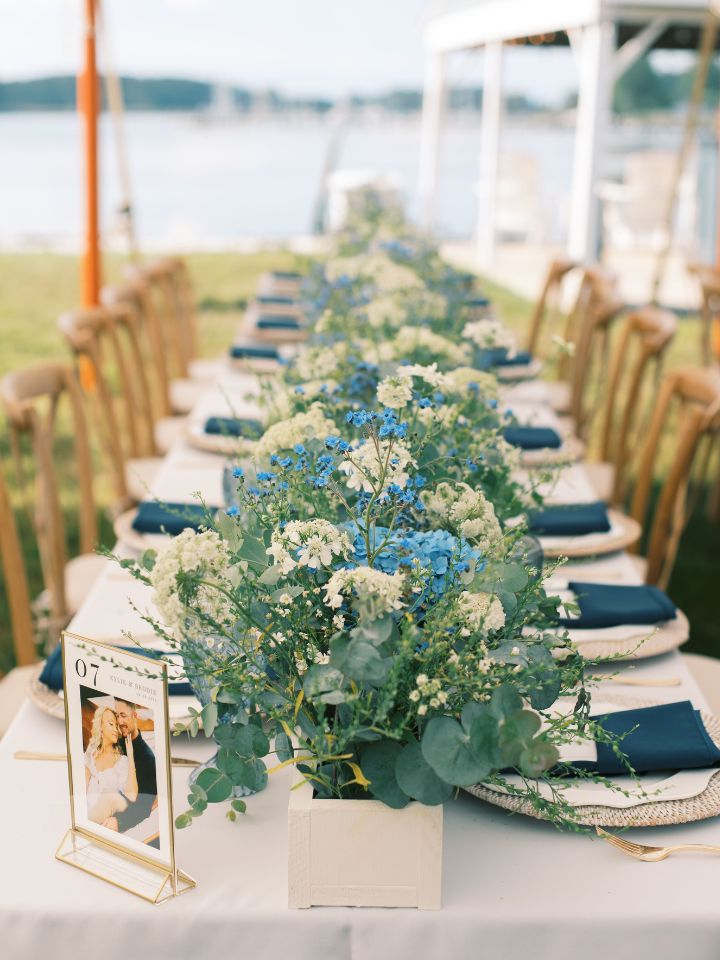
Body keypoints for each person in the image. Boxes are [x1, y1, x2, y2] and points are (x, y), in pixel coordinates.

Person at [102, 698, 157, 836]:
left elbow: (144, 807)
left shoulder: (148, 759)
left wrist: (118, 822)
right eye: (117, 716)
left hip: (117, 819)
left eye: (124, 715)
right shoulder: (114, 741)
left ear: (135, 716)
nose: (120, 722)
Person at [84, 705, 138, 825]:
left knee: (110, 795)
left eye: (116, 726)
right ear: (100, 727)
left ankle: (86, 824)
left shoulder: (121, 761)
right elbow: (82, 788)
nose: (115, 729)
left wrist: (131, 757)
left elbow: (132, 796)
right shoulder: (91, 754)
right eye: (111, 724)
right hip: (90, 811)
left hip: (111, 805)